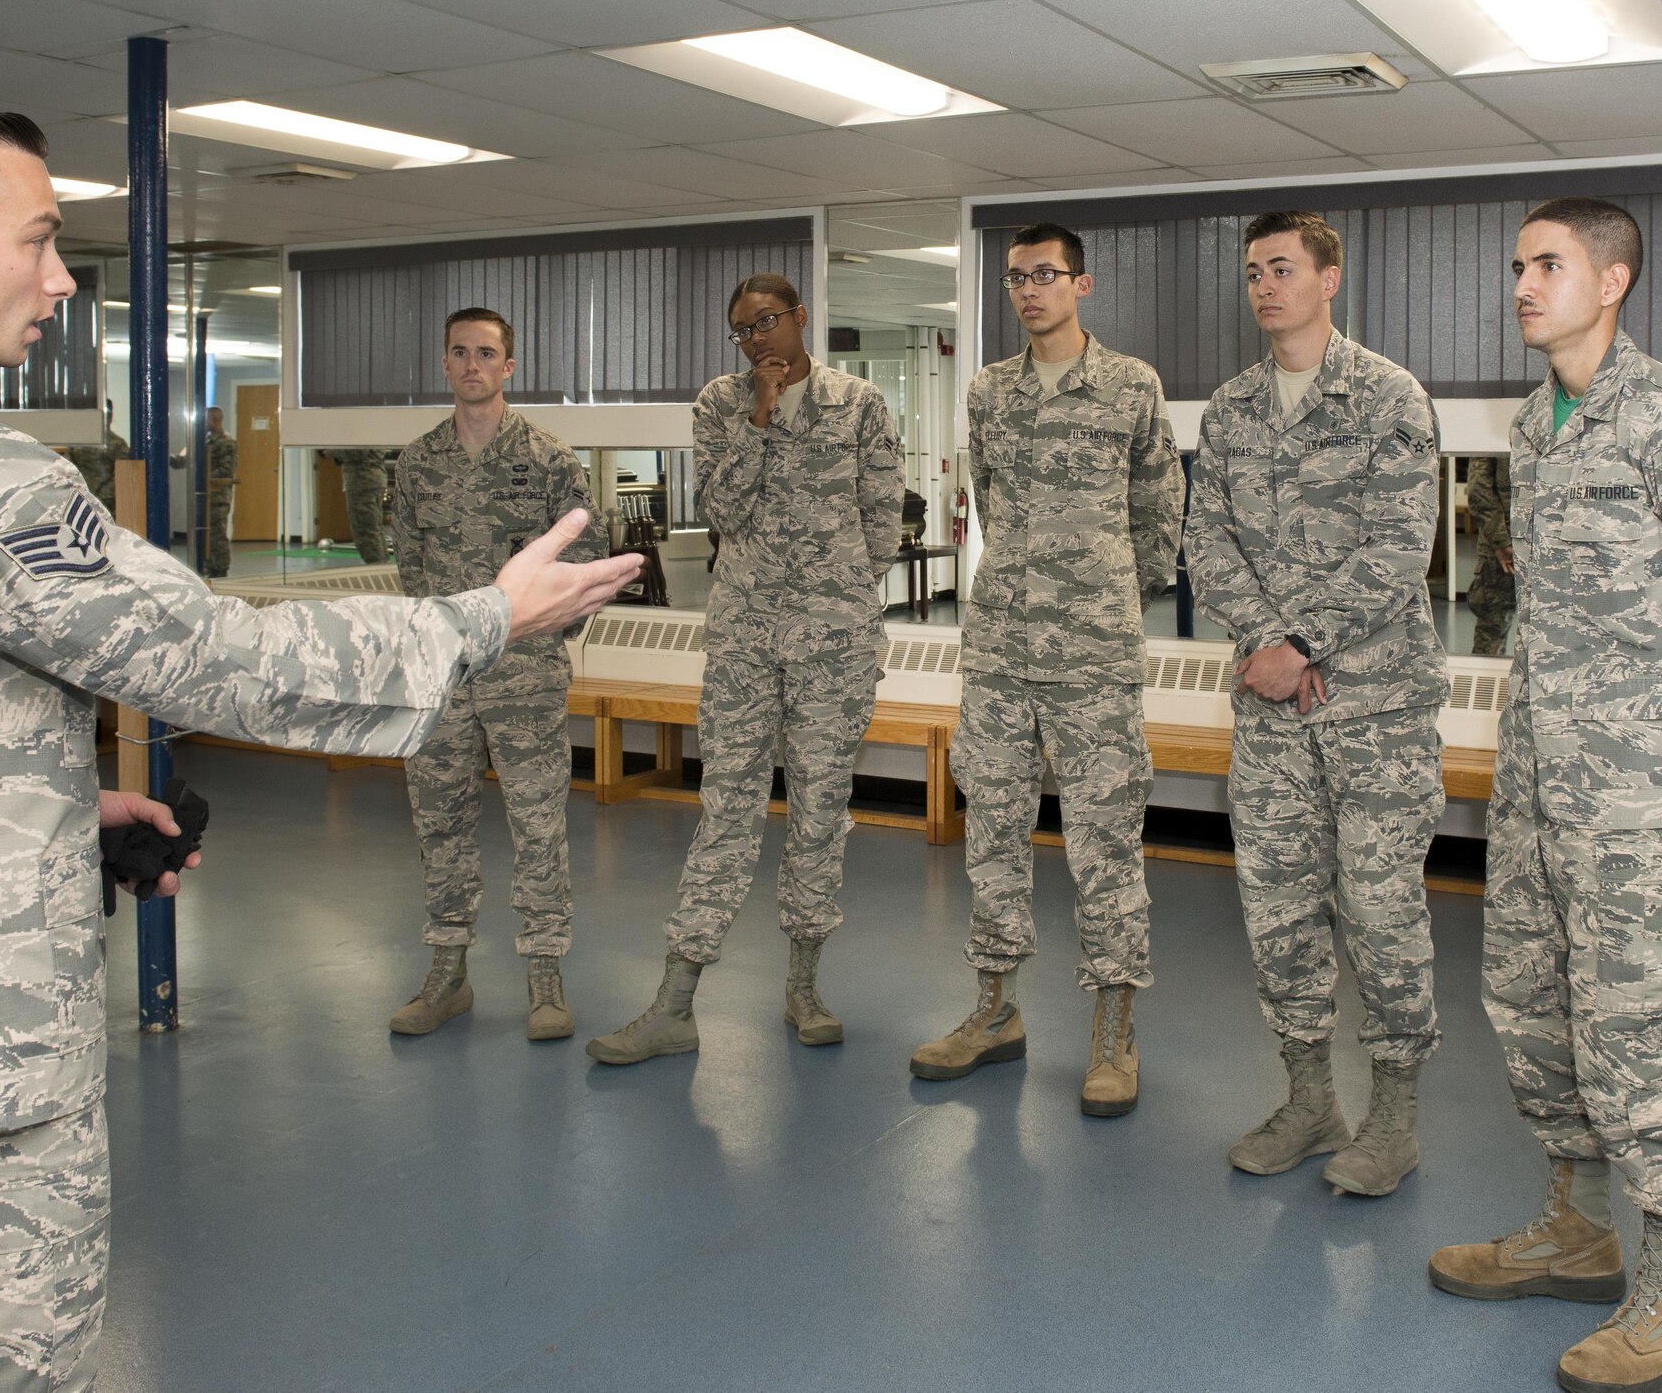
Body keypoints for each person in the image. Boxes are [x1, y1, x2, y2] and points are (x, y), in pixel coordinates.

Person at [0, 86, 640, 1393]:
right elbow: (221, 657)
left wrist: (48, 805)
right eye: (40, 238)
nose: (62, 278)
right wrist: (482, 620)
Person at [1427, 197, 1662, 1393]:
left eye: (1546, 264)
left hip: (1636, 802)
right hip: (1535, 783)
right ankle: (1576, 1225)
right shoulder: (1536, 420)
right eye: (1516, 263)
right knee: (1527, 1003)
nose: (1521, 282)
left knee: (1637, 1035)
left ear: (1609, 281)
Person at [1184, 211, 1447, 1196]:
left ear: (1328, 278)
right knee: (1279, 914)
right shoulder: (1229, 408)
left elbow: (1394, 549)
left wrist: (1303, 643)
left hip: (1373, 711)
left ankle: (1391, 1117)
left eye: (1281, 268)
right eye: (1251, 271)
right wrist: (1263, 646)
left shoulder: (1386, 398)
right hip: (1268, 713)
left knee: (1380, 917)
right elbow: (1204, 543)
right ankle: (1308, 1099)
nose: (1263, 285)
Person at [586, 272, 903, 1065]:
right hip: (745, 642)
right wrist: (758, 420)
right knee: (726, 806)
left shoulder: (859, 403)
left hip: (833, 642)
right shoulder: (720, 405)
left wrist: (837, 594)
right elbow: (723, 510)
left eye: (768, 322)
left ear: (801, 319)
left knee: (821, 812)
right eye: (743, 329)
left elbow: (882, 521)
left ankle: (803, 986)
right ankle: (676, 998)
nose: (757, 338)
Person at [908, 223, 1181, 1117]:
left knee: (1106, 846)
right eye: (1016, 278)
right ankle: (994, 1010)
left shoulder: (1132, 385)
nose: (1029, 291)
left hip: (1095, 655)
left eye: (1046, 276)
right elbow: (988, 496)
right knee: (992, 834)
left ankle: (1114, 1029)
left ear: (1083, 284)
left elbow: (1156, 511)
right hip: (998, 650)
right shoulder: (990, 391)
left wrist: (1106, 598)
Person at [387, 308, 606, 1041]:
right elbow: (411, 565)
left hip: (525, 680)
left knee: (538, 826)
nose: (472, 365)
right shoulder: (417, 464)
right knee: (439, 823)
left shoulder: (547, 460)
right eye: (459, 353)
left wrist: (545, 637)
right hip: (444, 678)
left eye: (486, 353)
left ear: (509, 367)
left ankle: (546, 977)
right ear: (444, 364)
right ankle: (448, 971)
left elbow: (583, 565)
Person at [171, 405, 237, 578]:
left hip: (217, 498)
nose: (203, 423)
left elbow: (226, 471)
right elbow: (182, 461)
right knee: (203, 535)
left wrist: (200, 476)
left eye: (206, 419)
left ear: (215, 420)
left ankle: (220, 569)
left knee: (216, 536)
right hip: (202, 497)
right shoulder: (202, 441)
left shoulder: (226, 442)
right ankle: (205, 566)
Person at [1465, 454, 1515, 655]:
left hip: (1519, 544)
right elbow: (1479, 490)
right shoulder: (1490, 431)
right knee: (1491, 637)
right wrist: (1500, 541)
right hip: (1503, 552)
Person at [330, 448, 391, 563]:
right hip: (371, 479)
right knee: (374, 529)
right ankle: (381, 566)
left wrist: (333, 452)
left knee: (365, 531)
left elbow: (357, 451)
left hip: (362, 481)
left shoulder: (361, 431)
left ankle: (375, 567)